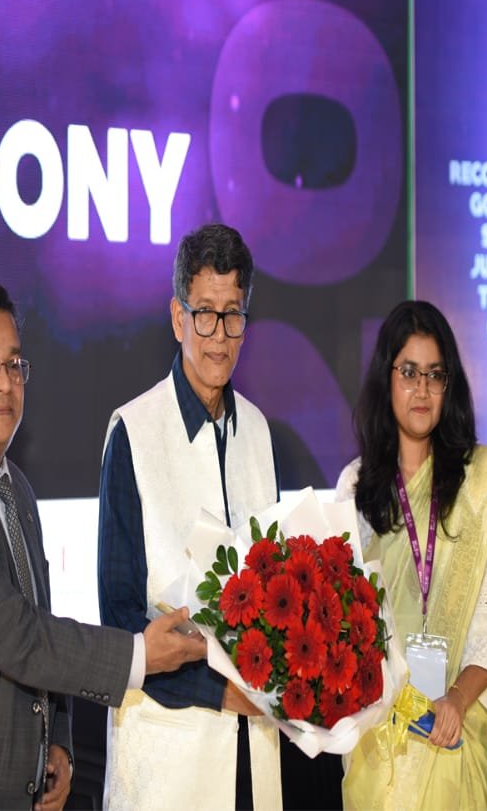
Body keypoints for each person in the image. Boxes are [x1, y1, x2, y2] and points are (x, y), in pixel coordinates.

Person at [0, 278, 204, 809]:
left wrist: (59, 743)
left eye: (14, 364)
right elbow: (22, 638)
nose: (5, 383)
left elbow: (40, 624)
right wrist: (142, 654)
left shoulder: (16, 490)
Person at [97, 224, 341, 808]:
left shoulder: (257, 429)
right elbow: (119, 619)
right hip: (168, 761)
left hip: (254, 754)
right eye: (204, 314)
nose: (219, 336)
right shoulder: (133, 432)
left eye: (232, 315)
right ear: (177, 319)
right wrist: (222, 691)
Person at [337, 300, 487, 809]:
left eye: (435, 374)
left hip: (454, 736)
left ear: (450, 386)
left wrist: (457, 700)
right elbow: (342, 626)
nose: (422, 389)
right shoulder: (354, 487)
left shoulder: (477, 485)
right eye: (409, 372)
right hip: (378, 744)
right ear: (387, 379)